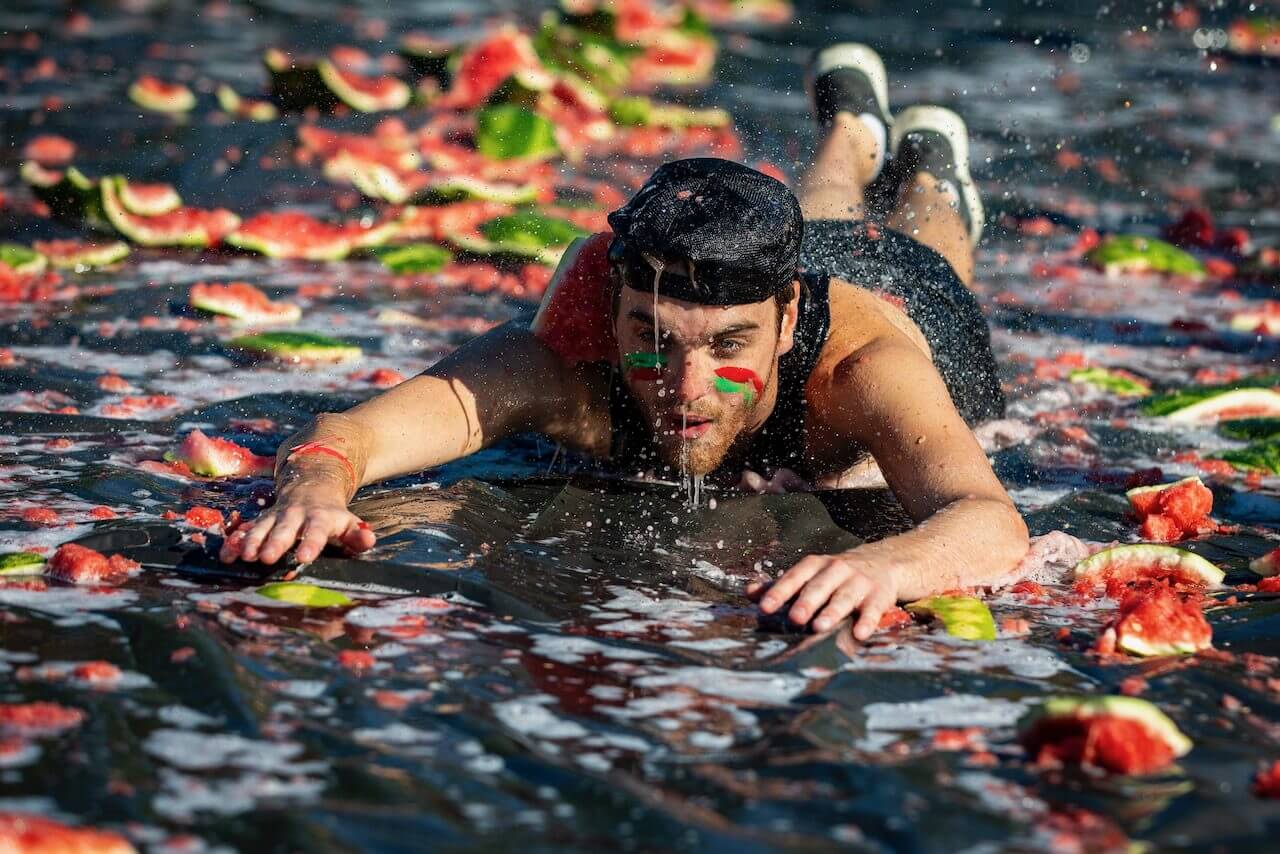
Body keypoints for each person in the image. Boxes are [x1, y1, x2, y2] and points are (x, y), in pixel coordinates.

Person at [224, 44, 1029, 641]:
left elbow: (990, 520)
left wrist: (886, 564)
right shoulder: (558, 365)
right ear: (612, 314)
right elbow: (348, 438)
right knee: (816, 216)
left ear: (786, 323)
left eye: (727, 346)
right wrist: (314, 492)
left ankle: (926, 166)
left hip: (900, 298)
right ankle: (850, 134)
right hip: (774, 256)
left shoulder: (860, 369)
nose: (688, 383)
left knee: (927, 245)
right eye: (654, 339)